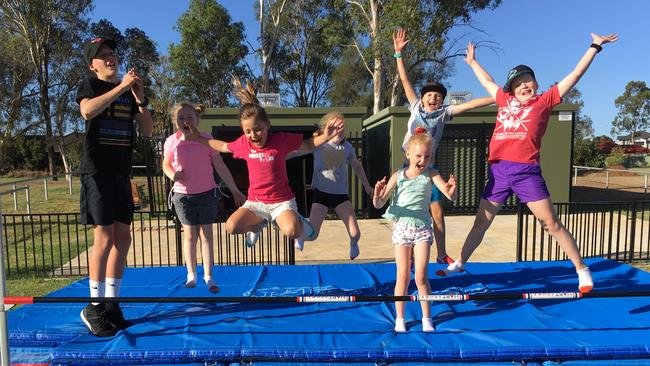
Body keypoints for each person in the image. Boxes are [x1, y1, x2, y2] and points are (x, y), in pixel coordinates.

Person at [438, 33, 619, 294]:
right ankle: (460, 262)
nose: (524, 85)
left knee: (551, 224)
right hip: (499, 172)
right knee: (481, 222)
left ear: (536, 83)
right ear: (511, 89)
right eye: (518, 83)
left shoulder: (544, 101)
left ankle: (582, 269)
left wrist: (595, 46)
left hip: (526, 172)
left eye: (528, 80)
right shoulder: (504, 100)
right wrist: (472, 62)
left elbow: (575, 75)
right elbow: (487, 82)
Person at [187, 78, 344, 245]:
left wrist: (326, 136)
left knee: (292, 231)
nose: (253, 135)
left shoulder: (280, 140)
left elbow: (307, 144)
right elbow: (223, 146)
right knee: (231, 227)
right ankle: (258, 225)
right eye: (248, 131)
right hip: (256, 202)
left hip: (282, 202)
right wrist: (198, 138)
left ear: (267, 125)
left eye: (258, 130)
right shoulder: (243, 144)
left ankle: (294, 220)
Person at [393, 28, 493, 266]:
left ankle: (441, 253)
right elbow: (405, 80)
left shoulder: (444, 113)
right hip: (408, 168)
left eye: (438, 96)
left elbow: (471, 105)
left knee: (437, 211)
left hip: (429, 168)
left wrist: (498, 96)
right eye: (430, 95)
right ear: (423, 96)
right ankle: (405, 251)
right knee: (404, 212)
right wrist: (398, 54)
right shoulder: (415, 106)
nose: (433, 99)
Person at [76, 37, 153, 337]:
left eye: (113, 53)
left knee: (124, 238)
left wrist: (139, 96)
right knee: (104, 238)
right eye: (103, 56)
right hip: (97, 173)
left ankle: (111, 303)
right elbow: (86, 112)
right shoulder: (90, 86)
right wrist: (121, 87)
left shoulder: (128, 93)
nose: (111, 58)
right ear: (92, 65)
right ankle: (93, 306)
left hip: (121, 174)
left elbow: (146, 130)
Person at [373, 130, 457, 333]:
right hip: (402, 228)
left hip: (422, 229)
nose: (423, 160)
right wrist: (377, 194)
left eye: (427, 156)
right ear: (408, 154)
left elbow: (449, 196)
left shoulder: (432, 174)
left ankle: (426, 317)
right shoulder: (399, 176)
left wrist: (452, 191)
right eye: (419, 156)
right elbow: (379, 204)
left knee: (420, 276)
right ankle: (400, 318)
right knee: (402, 275)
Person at [162, 102, 246, 293]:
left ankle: (209, 276)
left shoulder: (207, 139)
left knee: (206, 236)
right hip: (183, 196)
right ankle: (191, 274)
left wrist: (233, 188)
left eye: (190, 117)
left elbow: (221, 166)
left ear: (197, 120)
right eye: (181, 118)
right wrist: (173, 174)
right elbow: (165, 164)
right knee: (190, 236)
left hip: (207, 193)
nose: (186, 121)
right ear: (176, 123)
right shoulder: (172, 141)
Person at [290, 112, 373, 259]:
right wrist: (281, 155)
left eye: (342, 127)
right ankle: (301, 236)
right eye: (335, 127)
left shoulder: (347, 147)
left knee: (355, 233)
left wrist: (367, 185)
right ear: (326, 128)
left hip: (340, 196)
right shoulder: (319, 144)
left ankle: (353, 244)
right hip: (321, 194)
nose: (339, 130)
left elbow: (357, 167)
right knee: (313, 235)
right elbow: (298, 151)